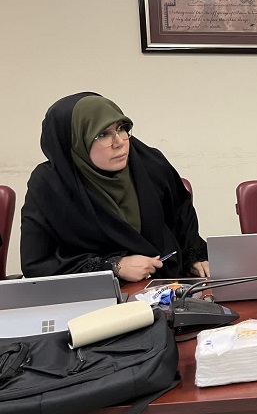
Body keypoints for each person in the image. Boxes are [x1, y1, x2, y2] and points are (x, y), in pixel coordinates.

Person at [21, 92, 209, 282]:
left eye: (121, 128)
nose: (119, 142)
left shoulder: (150, 164)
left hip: (166, 284)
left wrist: (195, 257)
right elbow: (37, 264)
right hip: (95, 293)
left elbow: (181, 217)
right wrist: (113, 266)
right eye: (103, 134)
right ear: (76, 142)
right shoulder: (49, 185)